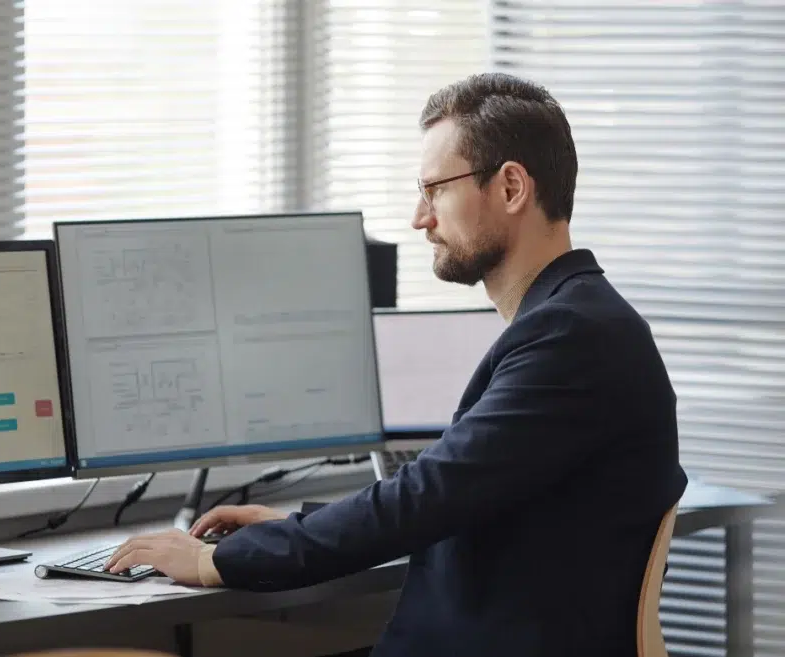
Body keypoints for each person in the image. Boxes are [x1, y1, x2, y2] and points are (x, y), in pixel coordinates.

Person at [105, 72, 688, 657]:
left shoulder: (572, 336)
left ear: (512, 187)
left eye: (435, 189)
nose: (419, 217)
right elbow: (453, 494)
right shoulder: (575, 321)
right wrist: (290, 528)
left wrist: (214, 561)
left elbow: (426, 495)